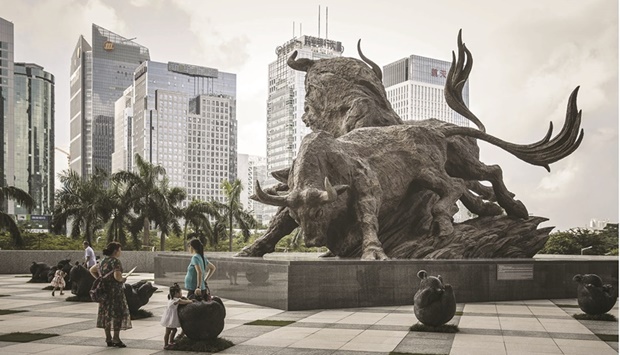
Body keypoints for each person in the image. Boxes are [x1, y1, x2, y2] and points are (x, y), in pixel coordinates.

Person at [89, 242, 131, 348]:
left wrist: (101, 279)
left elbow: (92, 270)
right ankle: (116, 339)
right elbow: (117, 277)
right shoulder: (115, 262)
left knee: (106, 315)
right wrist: (123, 279)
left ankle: (108, 338)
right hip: (115, 293)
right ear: (116, 251)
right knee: (117, 314)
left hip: (104, 292)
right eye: (120, 250)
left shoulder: (102, 261)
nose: (120, 252)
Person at [175, 238, 216, 340]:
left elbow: (199, 272)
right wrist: (204, 281)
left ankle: (182, 334)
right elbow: (213, 268)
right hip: (198, 288)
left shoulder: (195, 257)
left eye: (189, 246)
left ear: (192, 247)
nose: (189, 248)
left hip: (194, 289)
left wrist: (198, 286)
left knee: (188, 311)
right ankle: (193, 333)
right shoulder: (202, 257)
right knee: (197, 311)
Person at [160, 283, 193, 350]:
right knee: (168, 332)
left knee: (174, 330)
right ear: (176, 293)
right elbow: (184, 302)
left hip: (170, 318)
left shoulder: (172, 298)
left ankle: (171, 341)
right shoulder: (176, 300)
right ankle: (166, 344)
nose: (181, 294)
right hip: (169, 319)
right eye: (180, 292)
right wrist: (191, 301)